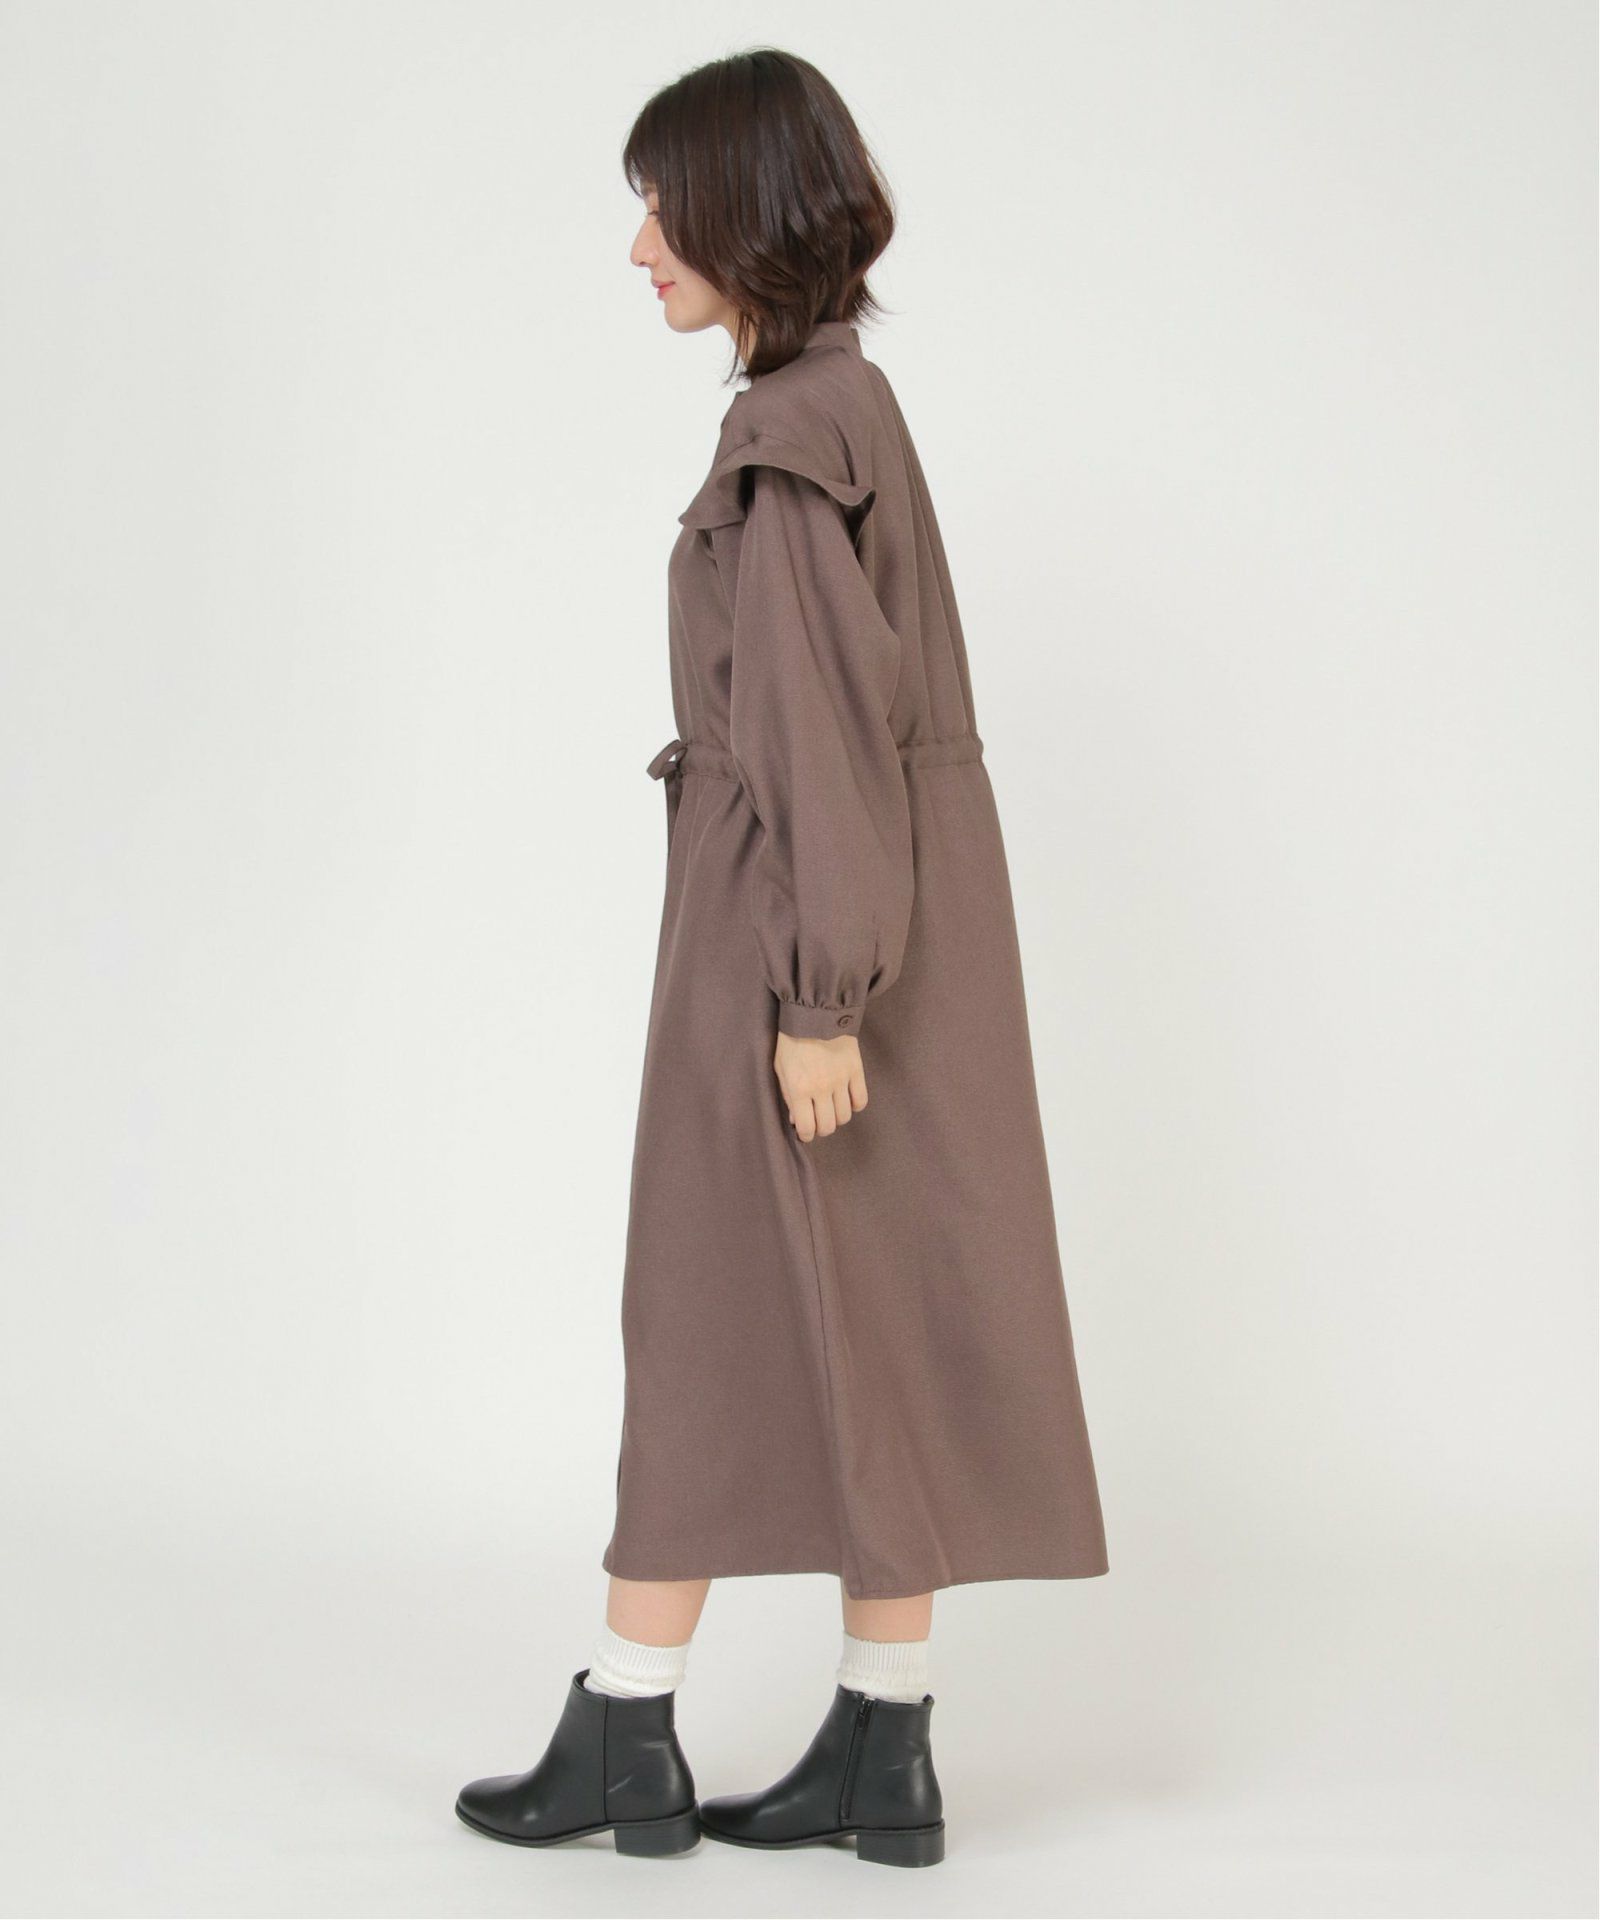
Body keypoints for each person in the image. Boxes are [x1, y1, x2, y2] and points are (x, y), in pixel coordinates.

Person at [455, 46, 1107, 1870]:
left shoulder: (788, 438)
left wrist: (819, 998)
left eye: (664, 210)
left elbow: (817, 726)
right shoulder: (844, 404)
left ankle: (624, 1726)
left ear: (748, 215)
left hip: (801, 935)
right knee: (873, 1315)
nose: (639, 249)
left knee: (698, 1311)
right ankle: (882, 1748)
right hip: (892, 923)